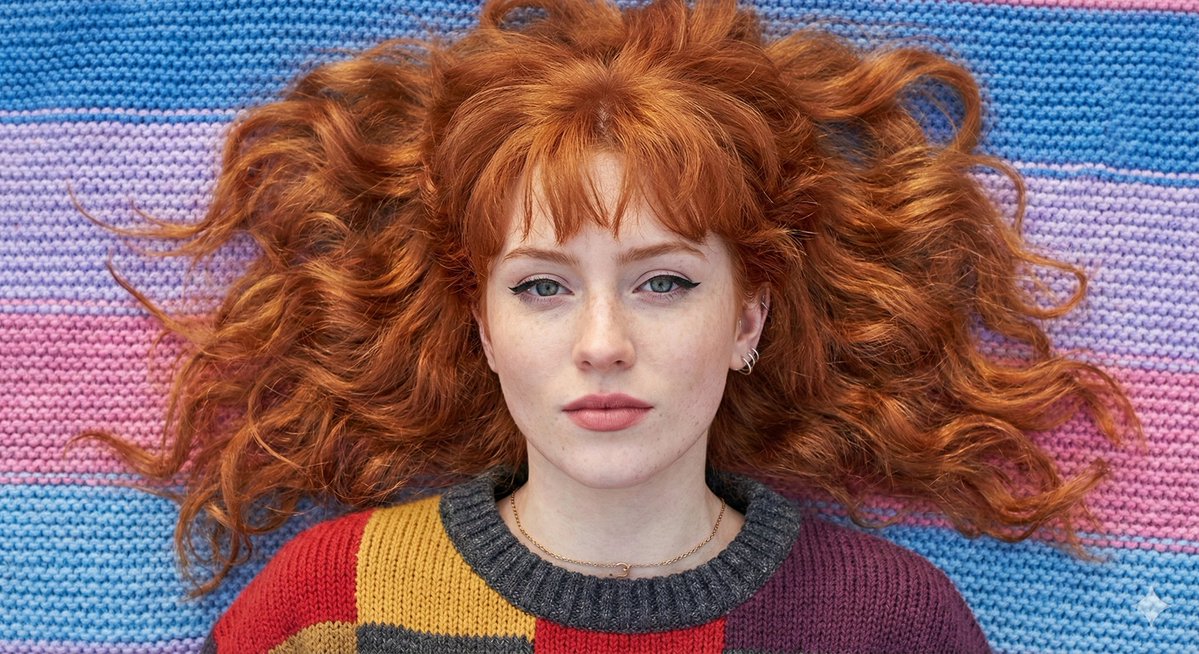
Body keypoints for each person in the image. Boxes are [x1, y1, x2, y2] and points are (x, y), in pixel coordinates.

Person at [76, 0, 1140, 651]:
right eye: (540, 286)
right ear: (481, 325)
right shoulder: (326, 604)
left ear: (747, 318)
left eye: (664, 283)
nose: (600, 341)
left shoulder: (886, 623)